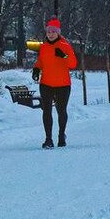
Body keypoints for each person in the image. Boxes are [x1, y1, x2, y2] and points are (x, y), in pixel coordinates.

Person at [31, 17, 77, 148]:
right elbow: (41, 61)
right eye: (48, 32)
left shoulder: (65, 46)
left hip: (63, 85)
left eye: (53, 31)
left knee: (61, 111)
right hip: (46, 83)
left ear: (58, 32)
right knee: (46, 111)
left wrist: (64, 56)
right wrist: (36, 69)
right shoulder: (44, 46)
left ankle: (61, 135)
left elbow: (73, 64)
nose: (50, 34)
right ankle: (48, 139)